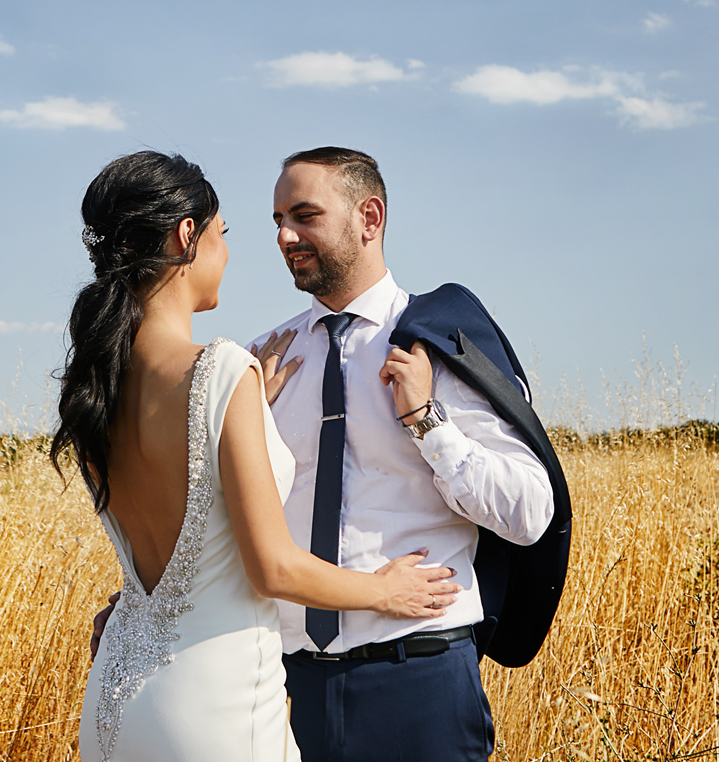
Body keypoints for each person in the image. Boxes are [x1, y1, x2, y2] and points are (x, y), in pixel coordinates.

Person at [54, 151, 461, 762]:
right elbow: (273, 567)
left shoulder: (97, 385)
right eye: (224, 233)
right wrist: (383, 591)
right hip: (212, 703)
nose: (230, 252)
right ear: (186, 235)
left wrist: (246, 413)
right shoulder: (219, 370)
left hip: (116, 693)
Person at [248, 146, 555, 761]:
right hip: (292, 690)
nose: (284, 235)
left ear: (370, 217)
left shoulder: (442, 347)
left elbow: (530, 513)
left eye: (304, 215)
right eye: (277, 219)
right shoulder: (264, 362)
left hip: (421, 680)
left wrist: (426, 421)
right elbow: (238, 522)